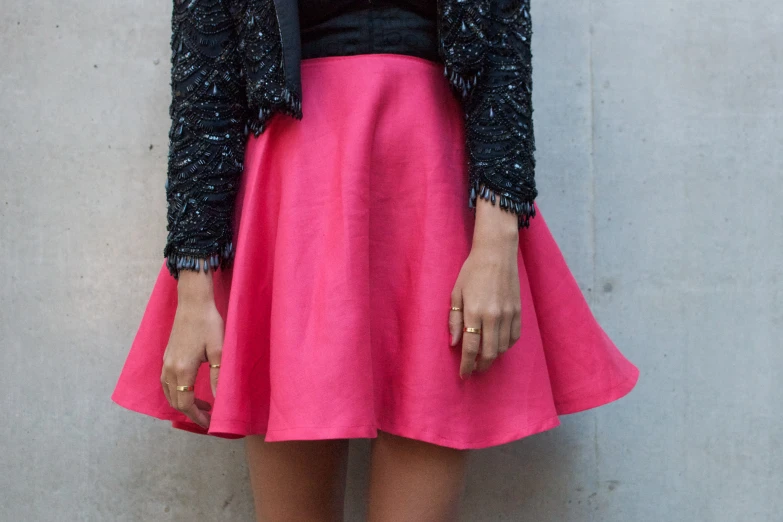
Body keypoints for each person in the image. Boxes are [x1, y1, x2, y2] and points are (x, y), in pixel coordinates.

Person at [112, 0, 640, 520]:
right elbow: (206, 84)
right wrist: (194, 291)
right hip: (294, 201)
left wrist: (497, 242)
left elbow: (501, 37)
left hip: (429, 186)